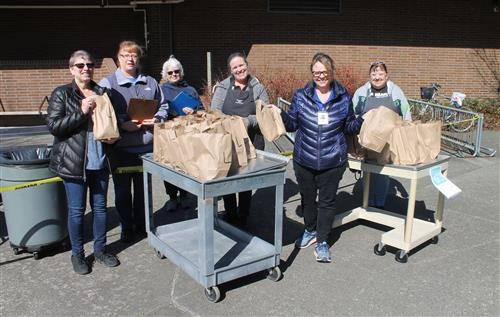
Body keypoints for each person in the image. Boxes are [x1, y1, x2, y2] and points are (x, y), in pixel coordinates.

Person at [272, 52, 364, 263]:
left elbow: (349, 126)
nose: (320, 76)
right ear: (311, 73)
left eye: (324, 72)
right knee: (307, 200)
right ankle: (310, 229)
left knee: (327, 202)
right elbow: (293, 124)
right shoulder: (301, 95)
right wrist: (279, 113)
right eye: (316, 73)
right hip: (305, 159)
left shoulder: (344, 96)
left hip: (333, 160)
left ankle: (322, 240)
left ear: (331, 72)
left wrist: (362, 120)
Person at [47, 50, 119, 274]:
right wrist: (81, 112)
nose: (86, 68)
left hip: (100, 159)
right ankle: (77, 255)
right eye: (80, 65)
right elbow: (55, 126)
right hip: (74, 162)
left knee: (100, 210)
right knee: (77, 211)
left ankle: (100, 250)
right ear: (71, 69)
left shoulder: (102, 92)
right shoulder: (62, 94)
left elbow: (111, 124)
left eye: (89, 64)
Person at [99, 41, 168, 243]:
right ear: (118, 58)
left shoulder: (151, 82)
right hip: (121, 148)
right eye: (124, 55)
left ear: (138, 59)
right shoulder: (108, 83)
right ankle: (126, 228)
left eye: (134, 55)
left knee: (143, 190)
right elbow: (104, 114)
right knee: (122, 191)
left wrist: (158, 119)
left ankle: (142, 225)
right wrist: (122, 124)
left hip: (147, 148)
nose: (130, 59)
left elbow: (163, 106)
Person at [210, 52, 269, 228]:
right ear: (231, 70)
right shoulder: (222, 88)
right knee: (228, 176)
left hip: (252, 140)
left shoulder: (258, 87)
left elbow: (265, 115)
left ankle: (243, 215)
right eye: (235, 67)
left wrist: (248, 121)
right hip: (228, 140)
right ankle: (230, 213)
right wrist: (231, 123)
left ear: (246, 65)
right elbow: (215, 111)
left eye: (241, 65)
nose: (239, 69)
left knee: (246, 179)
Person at [352, 61, 412, 208]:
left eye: (380, 73)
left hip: (388, 140)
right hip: (366, 140)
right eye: (374, 74)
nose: (377, 77)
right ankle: (366, 201)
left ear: (386, 75)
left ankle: (379, 202)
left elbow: (406, 112)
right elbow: (353, 113)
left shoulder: (395, 91)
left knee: (382, 171)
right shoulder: (361, 92)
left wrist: (408, 132)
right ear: (369, 76)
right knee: (367, 170)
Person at [160, 55, 203, 212]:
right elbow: (157, 110)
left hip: (188, 134)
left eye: (176, 71)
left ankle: (184, 195)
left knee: (187, 167)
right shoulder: (161, 90)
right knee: (170, 167)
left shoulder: (190, 90)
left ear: (181, 72)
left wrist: (195, 111)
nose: (174, 75)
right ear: (165, 75)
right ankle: (172, 196)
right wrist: (172, 111)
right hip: (170, 135)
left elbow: (202, 110)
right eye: (170, 73)